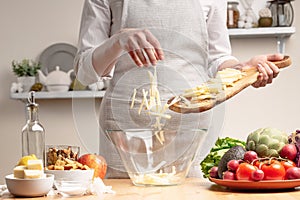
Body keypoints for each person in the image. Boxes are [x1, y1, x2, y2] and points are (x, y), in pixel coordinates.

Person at [74, 0, 284, 178]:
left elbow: (217, 58)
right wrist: (118, 41)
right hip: (126, 129)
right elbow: (85, 73)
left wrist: (242, 70)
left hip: (191, 127)